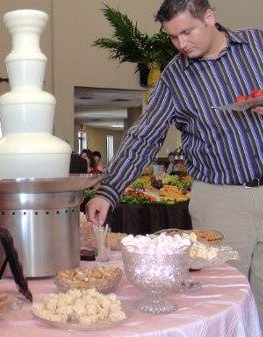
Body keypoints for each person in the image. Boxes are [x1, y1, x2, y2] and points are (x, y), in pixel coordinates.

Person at [86, 0, 263, 321]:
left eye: (187, 32)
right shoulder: (174, 78)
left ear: (209, 17)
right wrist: (107, 191)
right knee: (221, 298)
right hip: (221, 200)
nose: (181, 44)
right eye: (172, 37)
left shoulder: (258, 43)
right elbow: (144, 138)